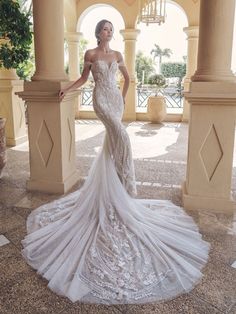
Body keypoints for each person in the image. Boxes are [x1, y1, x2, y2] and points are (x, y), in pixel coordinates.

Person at [21, 20, 210, 305]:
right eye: (105, 29)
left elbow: (128, 79)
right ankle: (124, 182)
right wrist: (68, 89)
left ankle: (118, 188)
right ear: (98, 33)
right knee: (121, 137)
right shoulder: (91, 55)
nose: (108, 32)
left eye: (110, 29)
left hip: (114, 99)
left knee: (115, 143)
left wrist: (121, 98)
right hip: (100, 100)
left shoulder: (118, 55)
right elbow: (85, 79)